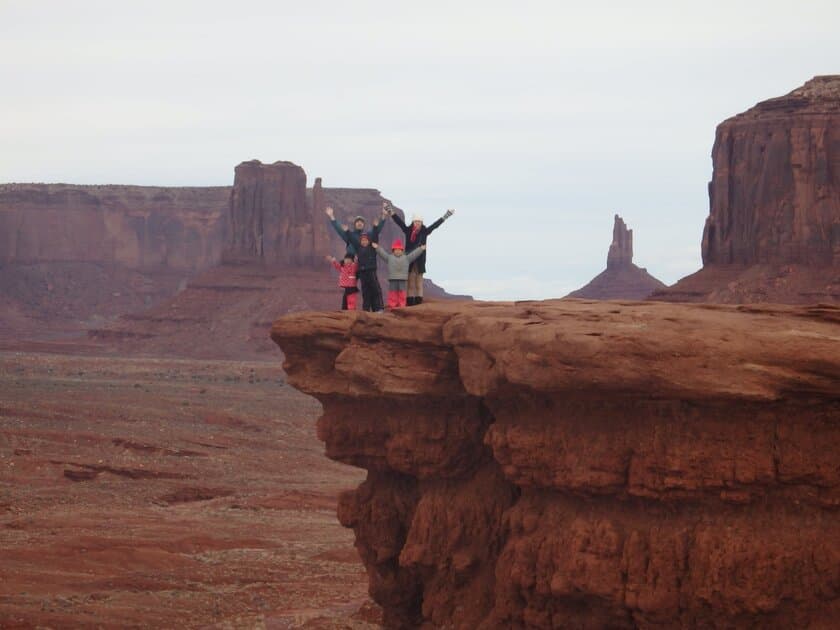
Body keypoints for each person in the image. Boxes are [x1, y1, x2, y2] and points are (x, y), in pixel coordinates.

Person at [384, 202, 455, 305]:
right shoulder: (408, 230)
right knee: (410, 283)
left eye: (419, 222)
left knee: (419, 282)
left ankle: (418, 302)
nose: (417, 223)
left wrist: (447, 215)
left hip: (420, 260)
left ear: (422, 223)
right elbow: (398, 221)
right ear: (413, 222)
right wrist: (388, 209)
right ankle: (409, 302)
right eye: (416, 221)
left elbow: (436, 225)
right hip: (409, 260)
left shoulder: (425, 231)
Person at [372, 239, 426, 309]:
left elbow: (414, 254)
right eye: (396, 250)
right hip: (392, 279)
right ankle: (392, 306)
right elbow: (383, 254)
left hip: (402, 279)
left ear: (402, 250)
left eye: (399, 249)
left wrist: (420, 249)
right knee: (392, 293)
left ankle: (402, 306)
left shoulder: (406, 258)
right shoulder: (389, 258)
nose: (397, 251)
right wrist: (377, 248)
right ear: (393, 250)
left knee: (402, 293)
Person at [345, 231, 384, 312]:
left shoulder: (372, 248)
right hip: (362, 273)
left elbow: (375, 238)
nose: (364, 242)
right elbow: (353, 240)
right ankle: (366, 310)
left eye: (366, 240)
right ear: (360, 242)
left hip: (371, 272)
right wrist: (347, 231)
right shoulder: (358, 248)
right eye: (362, 240)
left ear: (369, 241)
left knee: (376, 290)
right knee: (365, 292)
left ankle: (379, 308)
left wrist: (375, 228)